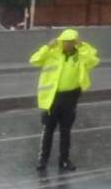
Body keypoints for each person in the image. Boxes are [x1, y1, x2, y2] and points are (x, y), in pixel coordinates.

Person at [30, 28, 99, 172]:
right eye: (64, 42)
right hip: (52, 98)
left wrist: (83, 46)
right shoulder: (53, 53)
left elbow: (93, 60)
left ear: (75, 42)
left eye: (70, 42)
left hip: (70, 97)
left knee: (65, 131)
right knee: (48, 130)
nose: (66, 45)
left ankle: (64, 160)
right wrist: (47, 47)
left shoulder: (80, 56)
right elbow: (34, 60)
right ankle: (43, 160)